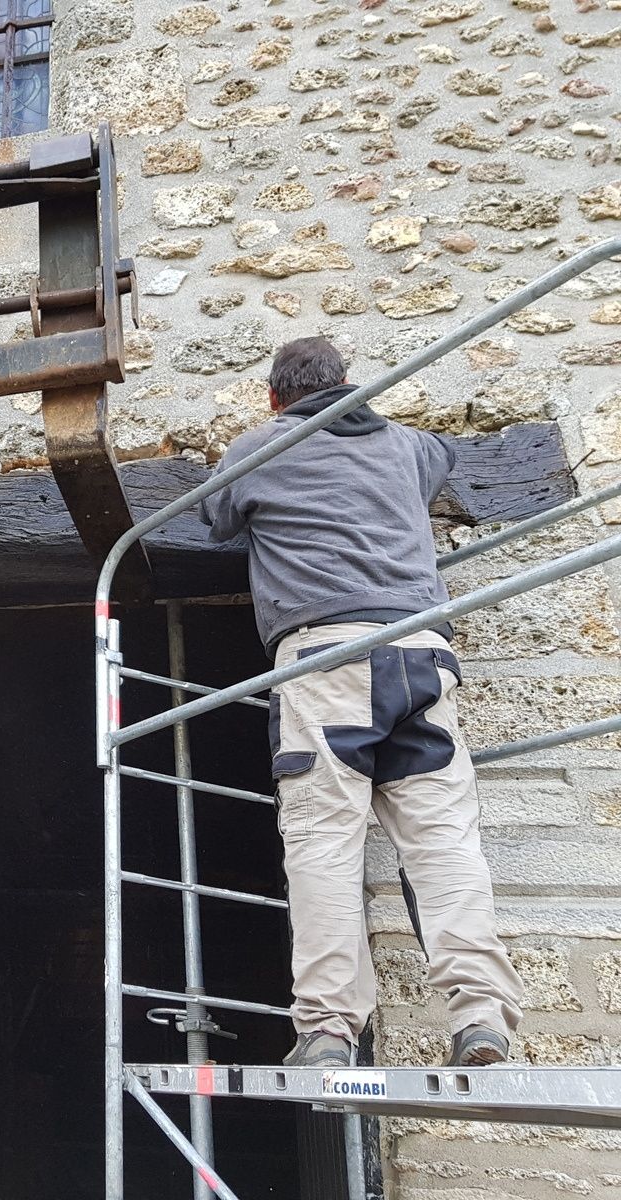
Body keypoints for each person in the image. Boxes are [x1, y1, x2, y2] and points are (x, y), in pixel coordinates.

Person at [198, 336, 523, 1070]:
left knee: (324, 845)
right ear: (348, 384)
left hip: (328, 662)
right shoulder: (404, 444)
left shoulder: (262, 445)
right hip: (420, 654)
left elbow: (215, 517)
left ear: (275, 399)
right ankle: (480, 1017)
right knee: (443, 843)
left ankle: (329, 1030)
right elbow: (443, 453)